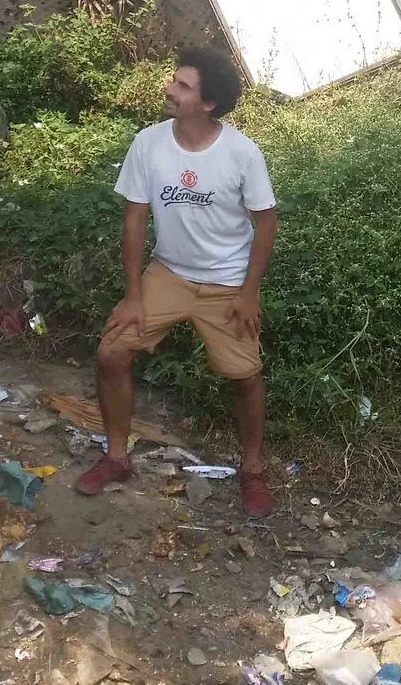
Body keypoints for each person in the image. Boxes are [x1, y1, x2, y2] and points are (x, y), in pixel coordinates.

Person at [79, 50, 278, 516]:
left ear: (207, 103)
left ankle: (252, 471)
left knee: (245, 376)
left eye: (183, 86)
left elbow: (266, 223)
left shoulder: (242, 153)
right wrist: (133, 296)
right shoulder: (148, 143)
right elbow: (134, 221)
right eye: (174, 80)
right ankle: (116, 457)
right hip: (167, 274)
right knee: (111, 352)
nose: (170, 89)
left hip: (227, 282)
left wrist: (249, 293)